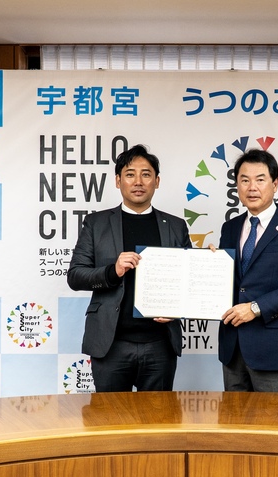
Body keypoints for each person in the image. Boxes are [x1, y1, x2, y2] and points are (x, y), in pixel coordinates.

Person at [67, 144, 192, 392]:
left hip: (160, 344)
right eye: (130, 174)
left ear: (157, 181)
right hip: (111, 343)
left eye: (146, 174)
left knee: (158, 414)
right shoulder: (96, 223)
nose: (138, 182)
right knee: (110, 415)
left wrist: (206, 262)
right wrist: (112, 271)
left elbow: (190, 280)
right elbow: (76, 276)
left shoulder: (176, 226)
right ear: (118, 181)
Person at [217, 149, 278, 393]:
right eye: (244, 180)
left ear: (275, 184)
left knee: (277, 417)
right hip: (233, 348)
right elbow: (227, 281)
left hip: (274, 349)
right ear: (236, 186)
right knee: (234, 416)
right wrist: (211, 263)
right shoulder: (229, 228)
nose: (252, 187)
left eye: (260, 179)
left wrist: (254, 308)